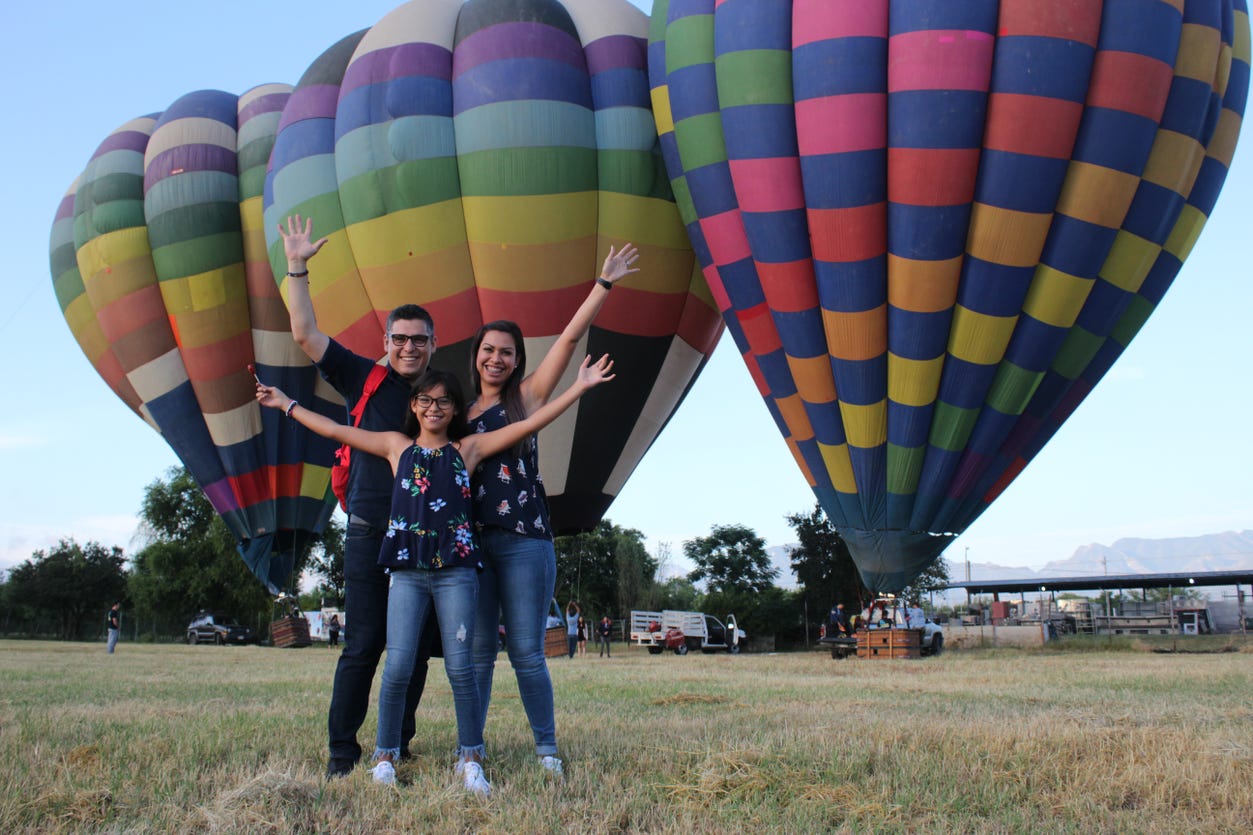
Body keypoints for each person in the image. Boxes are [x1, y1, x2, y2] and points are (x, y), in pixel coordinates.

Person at [257, 356, 615, 796]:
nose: (434, 408)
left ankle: (470, 758)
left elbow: (530, 423)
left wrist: (578, 387)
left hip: (456, 575)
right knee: (398, 666)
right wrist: (287, 404)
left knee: (462, 668)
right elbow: (337, 430)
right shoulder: (395, 447)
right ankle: (384, 756)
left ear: (455, 408)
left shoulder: (468, 449)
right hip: (407, 574)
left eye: (444, 401)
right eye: (426, 400)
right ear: (414, 404)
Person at [468, 242, 640, 776]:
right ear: (476, 354)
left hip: (525, 541)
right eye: (488, 350)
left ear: (518, 360)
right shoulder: (454, 412)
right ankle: (469, 751)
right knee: (474, 655)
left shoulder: (525, 398)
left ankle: (547, 751)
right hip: (471, 545)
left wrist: (603, 284)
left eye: (507, 352)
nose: (496, 358)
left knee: (526, 652)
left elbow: (567, 340)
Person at [279, 215, 438, 779]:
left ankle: (397, 742)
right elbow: (304, 332)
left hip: (425, 539)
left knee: (416, 649)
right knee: (365, 645)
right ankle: (342, 753)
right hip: (370, 527)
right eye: (400, 339)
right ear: (386, 342)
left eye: (419, 339)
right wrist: (298, 265)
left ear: (432, 345)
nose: (409, 347)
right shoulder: (363, 377)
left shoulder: (443, 394)